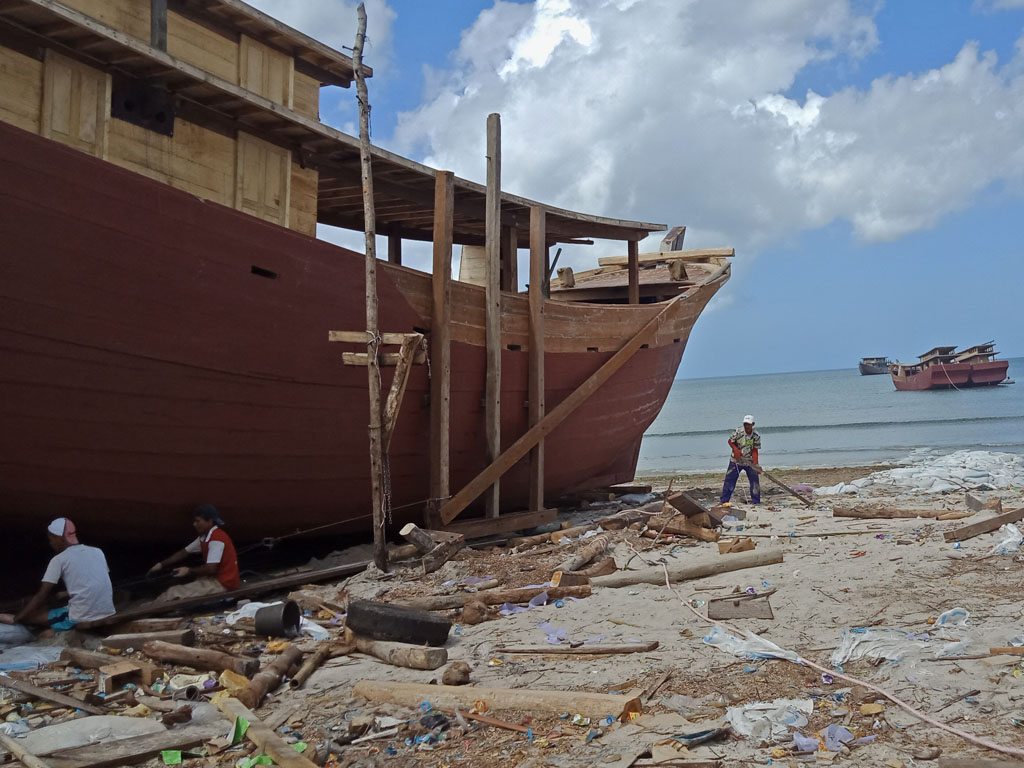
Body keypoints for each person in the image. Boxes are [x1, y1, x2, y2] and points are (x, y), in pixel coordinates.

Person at [0, 518, 115, 632]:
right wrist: (63, 594)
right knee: (57, 602)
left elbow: (41, 595)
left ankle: (17, 621)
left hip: (81, 617)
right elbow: (96, 582)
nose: (50, 542)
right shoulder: (97, 551)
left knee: (32, 617)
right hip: (108, 610)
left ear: (59, 538)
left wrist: (18, 618)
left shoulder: (59, 560)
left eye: (51, 538)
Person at [149, 505, 241, 601]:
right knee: (182, 584)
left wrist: (188, 570)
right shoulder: (204, 537)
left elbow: (211, 569)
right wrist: (161, 564)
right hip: (215, 578)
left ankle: (149, 608)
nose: (194, 524)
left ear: (209, 521)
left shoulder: (217, 540)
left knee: (174, 591)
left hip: (224, 583)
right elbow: (184, 552)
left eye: (198, 521)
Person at [720, 414, 762, 505]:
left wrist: (756, 465)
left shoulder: (756, 435)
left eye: (749, 424)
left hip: (749, 462)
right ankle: (724, 500)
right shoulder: (738, 431)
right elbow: (730, 441)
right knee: (729, 481)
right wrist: (735, 449)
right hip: (736, 461)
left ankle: (756, 501)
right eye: (745, 424)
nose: (747, 426)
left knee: (755, 482)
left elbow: (755, 451)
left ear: (753, 424)